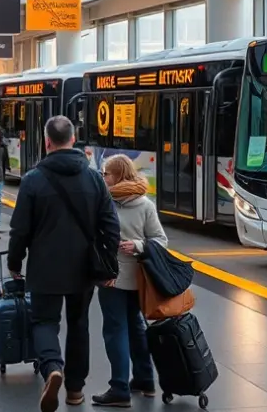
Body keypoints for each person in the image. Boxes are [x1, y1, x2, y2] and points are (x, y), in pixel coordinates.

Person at [8, 116, 120, 412]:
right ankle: (75, 390)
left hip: (45, 266)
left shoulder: (33, 179)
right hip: (84, 267)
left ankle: (52, 367)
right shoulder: (95, 178)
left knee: (44, 321)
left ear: (47, 142)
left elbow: (20, 229)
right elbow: (111, 226)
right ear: (73, 139)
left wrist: (14, 262)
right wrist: (110, 267)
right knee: (79, 324)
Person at [92, 155, 166, 407]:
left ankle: (119, 388)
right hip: (139, 279)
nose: (103, 178)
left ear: (118, 176)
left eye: (107, 174)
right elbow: (158, 240)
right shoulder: (146, 203)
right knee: (135, 326)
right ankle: (145, 379)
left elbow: (161, 241)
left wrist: (133, 245)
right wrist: (140, 245)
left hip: (112, 278)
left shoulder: (105, 203)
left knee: (115, 330)